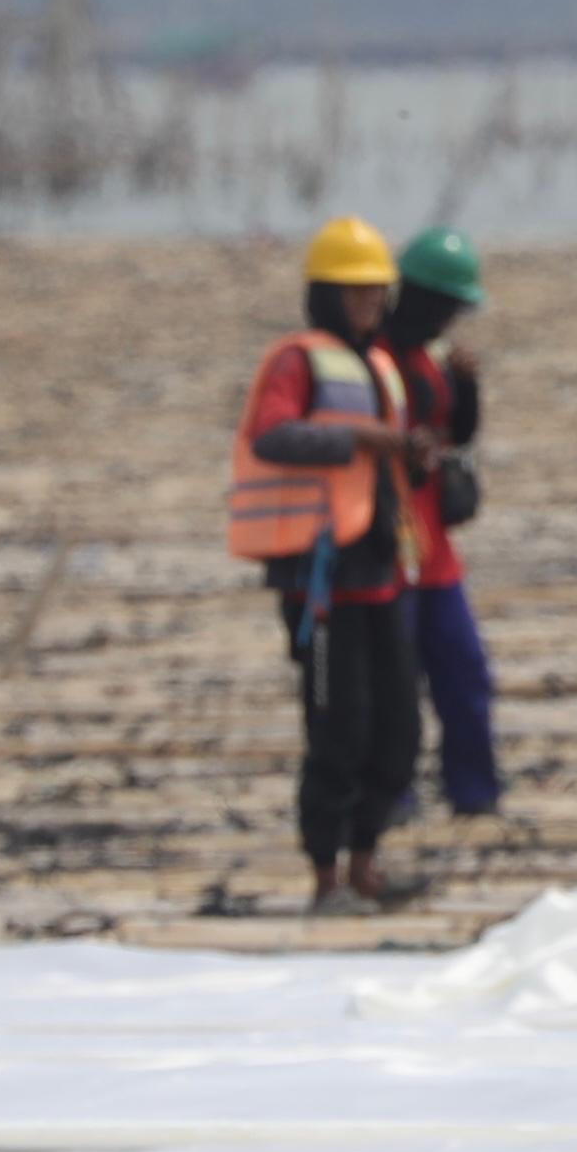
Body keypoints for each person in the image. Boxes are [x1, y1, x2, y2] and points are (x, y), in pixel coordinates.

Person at [226, 217, 436, 915]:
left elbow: (388, 462)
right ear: (324, 295)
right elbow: (271, 434)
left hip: (380, 573)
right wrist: (364, 437)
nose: (370, 302)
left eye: (377, 291)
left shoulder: (381, 365)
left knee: (399, 730)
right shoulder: (298, 361)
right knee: (337, 731)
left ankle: (366, 865)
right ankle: (325, 879)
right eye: (355, 291)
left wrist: (412, 452)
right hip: (322, 579)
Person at [385, 225, 502, 816]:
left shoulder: (434, 361)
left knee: (465, 675)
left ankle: (474, 792)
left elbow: (457, 436)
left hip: (434, 555)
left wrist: (467, 388)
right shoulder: (375, 359)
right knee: (394, 685)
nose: (451, 319)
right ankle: (394, 795)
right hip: (386, 553)